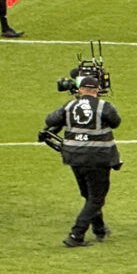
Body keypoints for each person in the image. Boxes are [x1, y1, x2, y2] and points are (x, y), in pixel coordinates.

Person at [41, 75, 122, 247]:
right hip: (97, 157)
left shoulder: (70, 105)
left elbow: (50, 120)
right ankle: (76, 235)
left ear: (79, 90)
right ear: (97, 90)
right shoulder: (103, 106)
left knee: (89, 195)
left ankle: (99, 229)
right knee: (96, 198)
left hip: (74, 157)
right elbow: (116, 122)